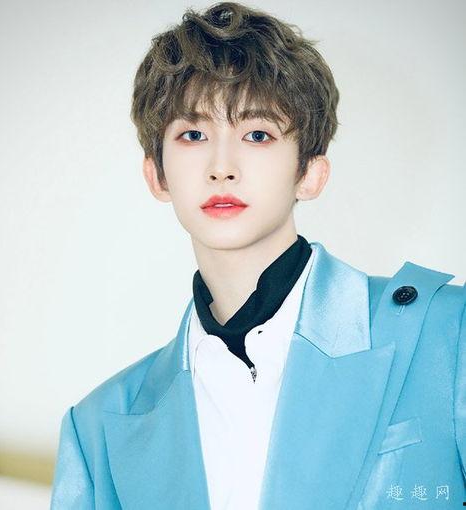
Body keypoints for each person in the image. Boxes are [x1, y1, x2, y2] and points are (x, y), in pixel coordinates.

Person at [50, 2, 466, 508]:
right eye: (193, 135)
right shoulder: (97, 429)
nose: (222, 166)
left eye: (257, 134)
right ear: (157, 175)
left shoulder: (447, 332)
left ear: (309, 173)